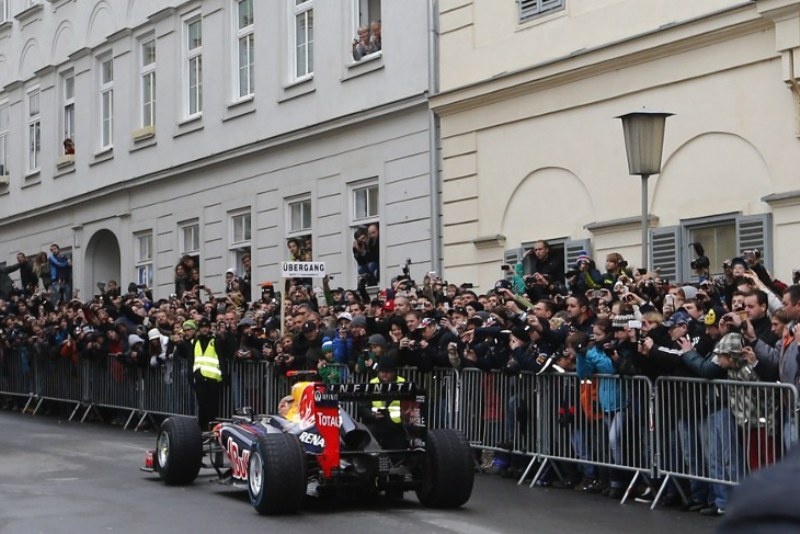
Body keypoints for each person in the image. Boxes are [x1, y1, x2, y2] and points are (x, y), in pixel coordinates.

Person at [358, 355, 407, 449]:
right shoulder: (372, 384)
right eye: (382, 371)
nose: (384, 374)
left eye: (388, 372)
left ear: (394, 372)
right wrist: (372, 414)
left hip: (397, 426)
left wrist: (404, 415)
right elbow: (363, 406)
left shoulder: (404, 384)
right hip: (376, 423)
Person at [189, 317, 226, 430]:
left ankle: (212, 430)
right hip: (199, 378)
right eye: (202, 327)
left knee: (212, 407)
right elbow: (192, 360)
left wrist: (223, 374)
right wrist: (191, 377)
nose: (204, 329)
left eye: (206, 327)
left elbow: (221, 357)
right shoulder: (195, 341)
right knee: (202, 406)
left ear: (209, 328)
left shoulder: (215, 341)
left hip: (213, 378)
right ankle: (202, 429)